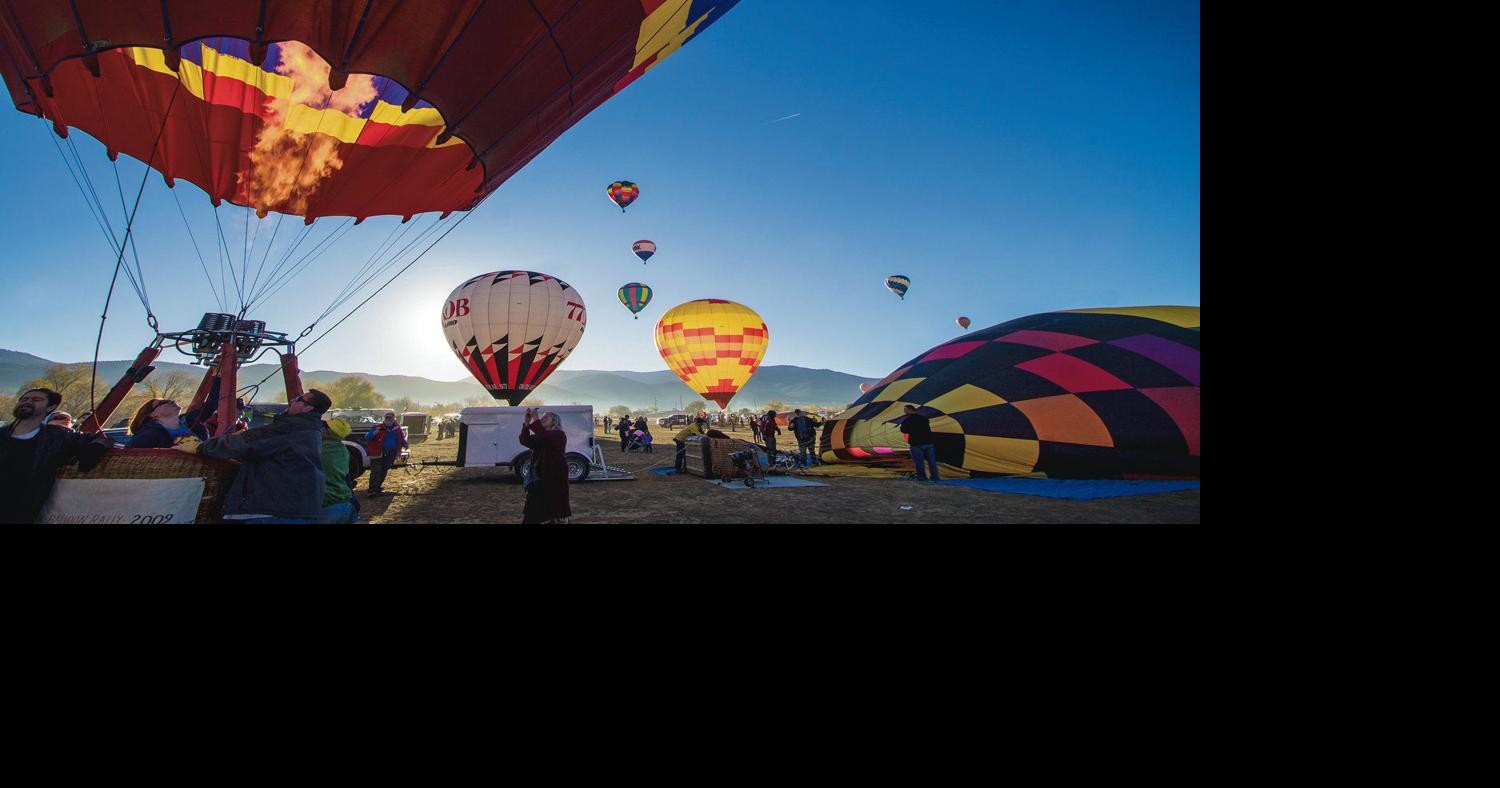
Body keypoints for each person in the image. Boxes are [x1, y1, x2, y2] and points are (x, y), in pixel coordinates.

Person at [182, 389, 332, 523]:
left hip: (271, 510)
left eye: (299, 399)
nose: (292, 400)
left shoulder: (289, 428)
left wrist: (200, 447)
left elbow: (241, 444)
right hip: (296, 507)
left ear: (308, 408)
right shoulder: (311, 430)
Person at [1, 388, 112, 523]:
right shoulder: (2, 434)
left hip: (21, 511)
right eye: (24, 399)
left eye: (36, 400)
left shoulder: (57, 437)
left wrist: (95, 449)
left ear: (51, 407)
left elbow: (101, 438)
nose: (28, 402)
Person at [519, 408, 571, 524]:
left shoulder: (559, 435)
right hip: (539, 479)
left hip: (554, 479)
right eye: (541, 417)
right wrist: (526, 424)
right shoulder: (542, 436)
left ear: (554, 421)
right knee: (533, 512)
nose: (542, 418)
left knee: (553, 512)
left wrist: (536, 418)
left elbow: (544, 437)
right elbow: (525, 440)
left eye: (546, 417)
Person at [124, 398, 209, 448]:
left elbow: (212, 402)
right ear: (152, 414)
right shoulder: (148, 434)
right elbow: (130, 455)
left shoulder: (190, 421)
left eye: (168, 400)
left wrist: (218, 373)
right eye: (162, 403)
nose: (171, 401)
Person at [318, 417, 356, 523]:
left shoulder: (319, 449)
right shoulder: (343, 450)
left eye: (325, 427)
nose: (321, 429)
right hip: (345, 502)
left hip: (327, 503)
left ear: (330, 432)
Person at [363, 412, 408, 496]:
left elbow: (401, 438)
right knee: (376, 471)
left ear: (394, 419)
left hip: (391, 452)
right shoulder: (378, 427)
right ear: (384, 419)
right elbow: (367, 437)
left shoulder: (397, 429)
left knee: (383, 471)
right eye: (387, 418)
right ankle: (372, 490)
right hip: (377, 452)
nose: (388, 420)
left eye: (390, 418)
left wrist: (405, 444)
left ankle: (377, 488)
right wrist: (374, 432)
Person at [901, 404, 939, 481]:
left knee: (919, 462)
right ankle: (935, 477)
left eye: (905, 410)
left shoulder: (908, 420)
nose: (904, 412)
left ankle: (922, 477)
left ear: (910, 410)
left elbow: (904, 430)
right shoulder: (924, 419)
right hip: (928, 442)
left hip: (916, 444)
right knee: (932, 462)